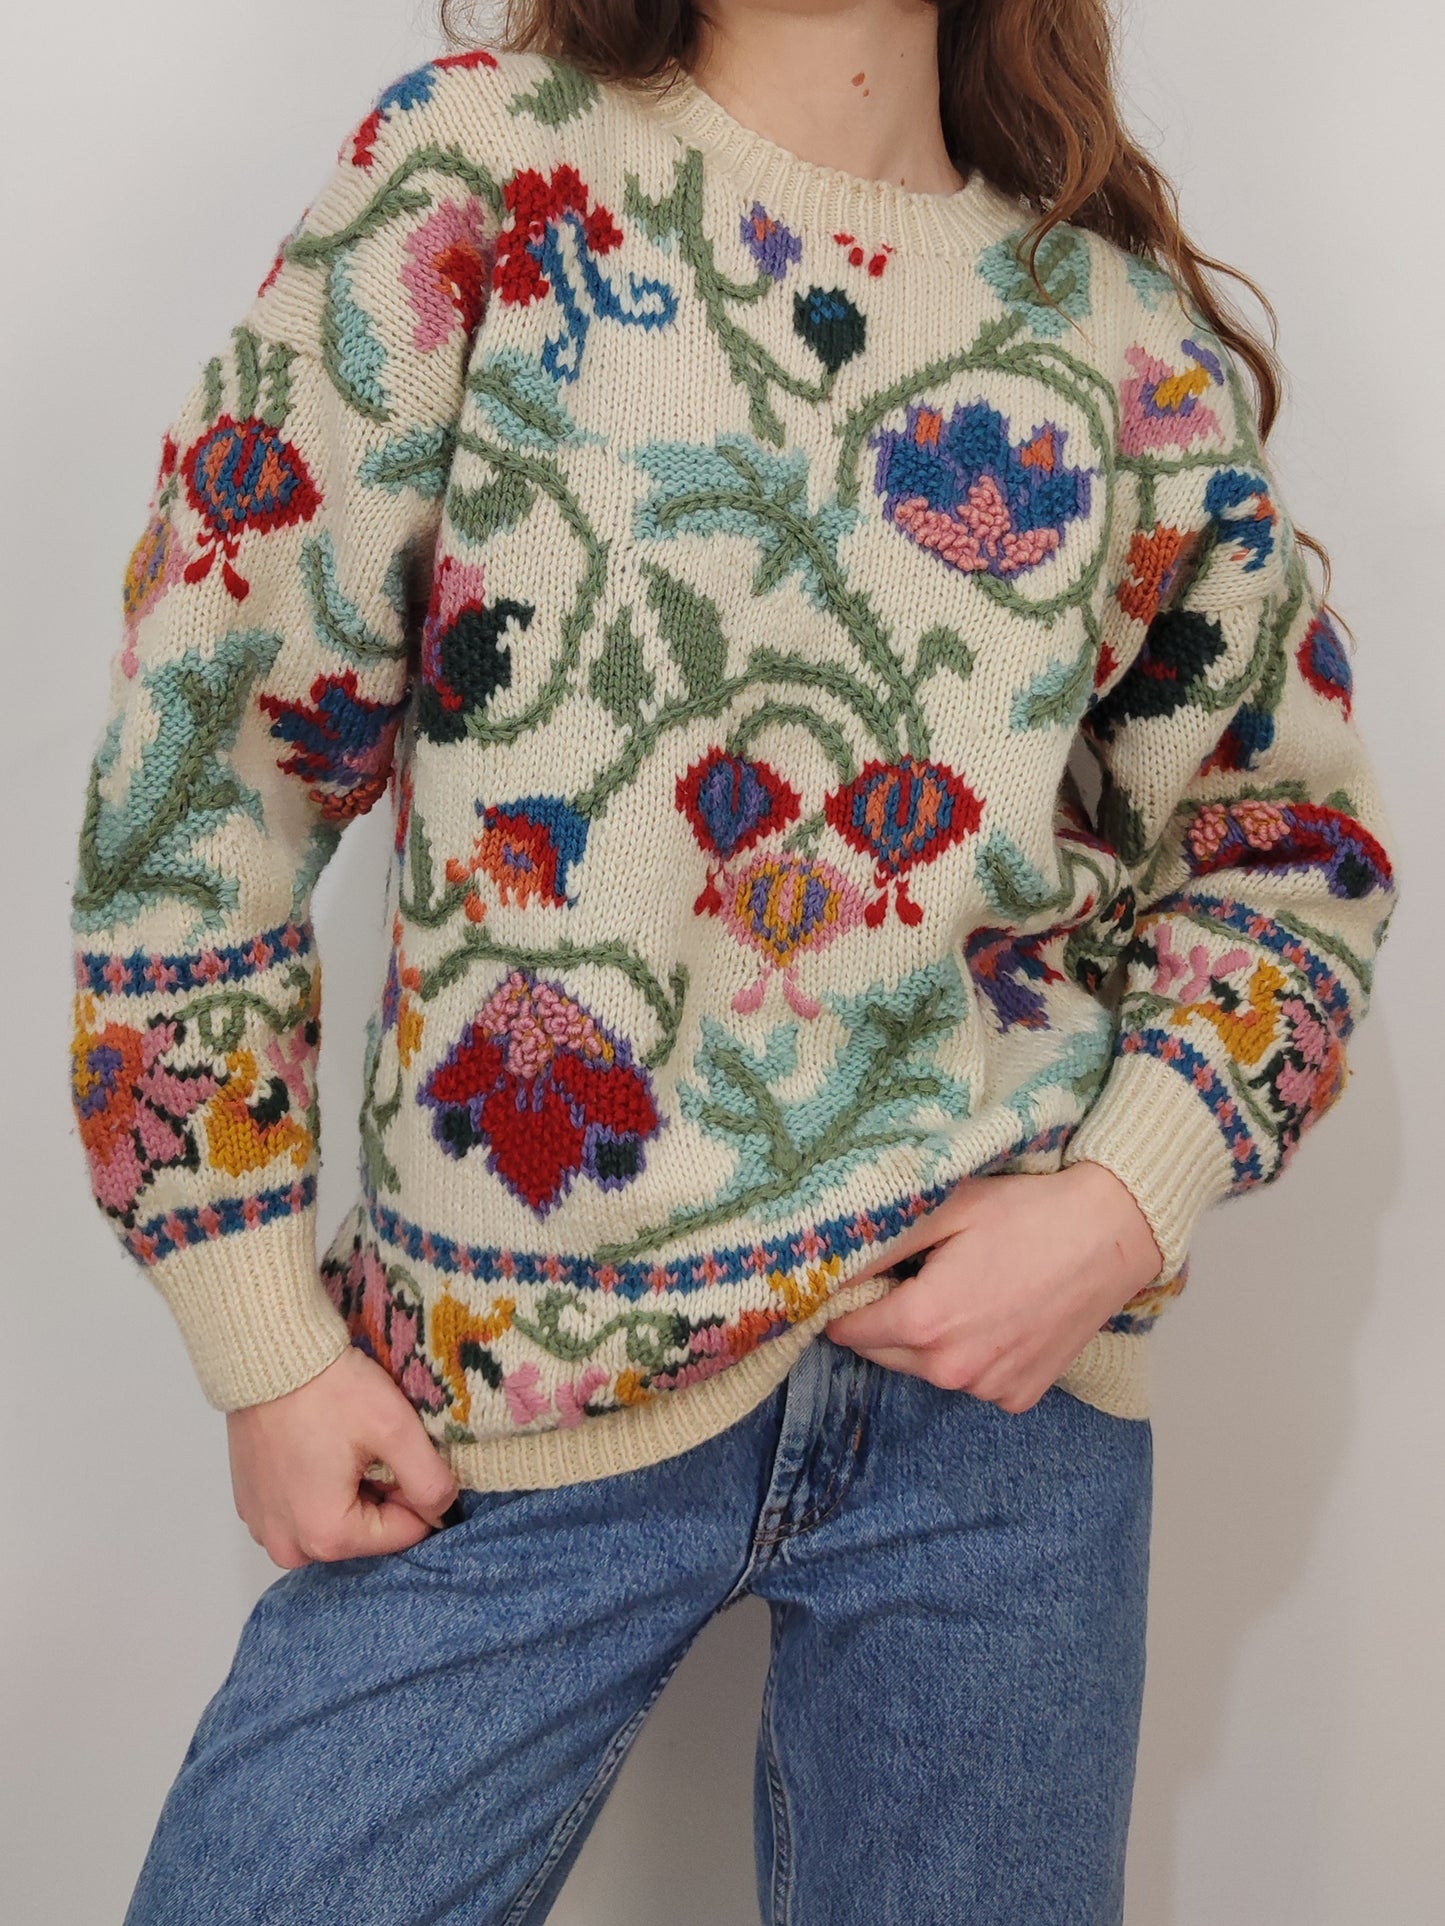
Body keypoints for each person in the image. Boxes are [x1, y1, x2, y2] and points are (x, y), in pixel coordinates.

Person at [70, 1, 1397, 1919]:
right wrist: (257, 1332)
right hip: (496, 1399)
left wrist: (1121, 1202)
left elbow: (1292, 854)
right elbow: (202, 769)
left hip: (991, 1423)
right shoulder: (477, 179)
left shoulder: (1118, 341)